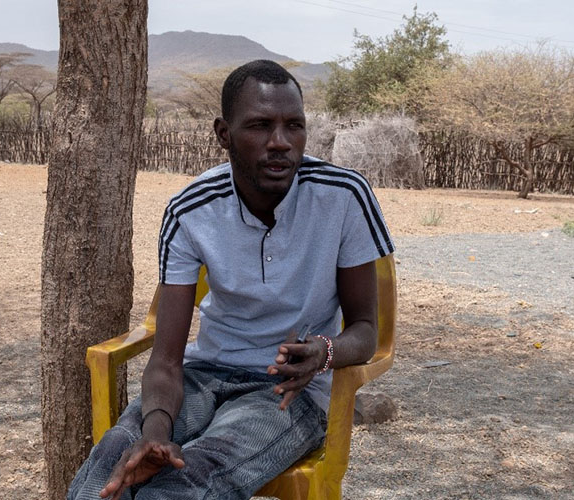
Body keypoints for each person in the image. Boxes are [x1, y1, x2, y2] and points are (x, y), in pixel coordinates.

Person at [67, 59, 394, 500]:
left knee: (189, 481)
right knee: (110, 465)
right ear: (224, 133)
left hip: (285, 389)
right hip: (201, 376)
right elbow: (166, 362)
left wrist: (325, 352)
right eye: (260, 126)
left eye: (294, 126)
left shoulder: (343, 196)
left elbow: (366, 332)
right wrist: (156, 432)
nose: (280, 143)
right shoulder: (191, 209)